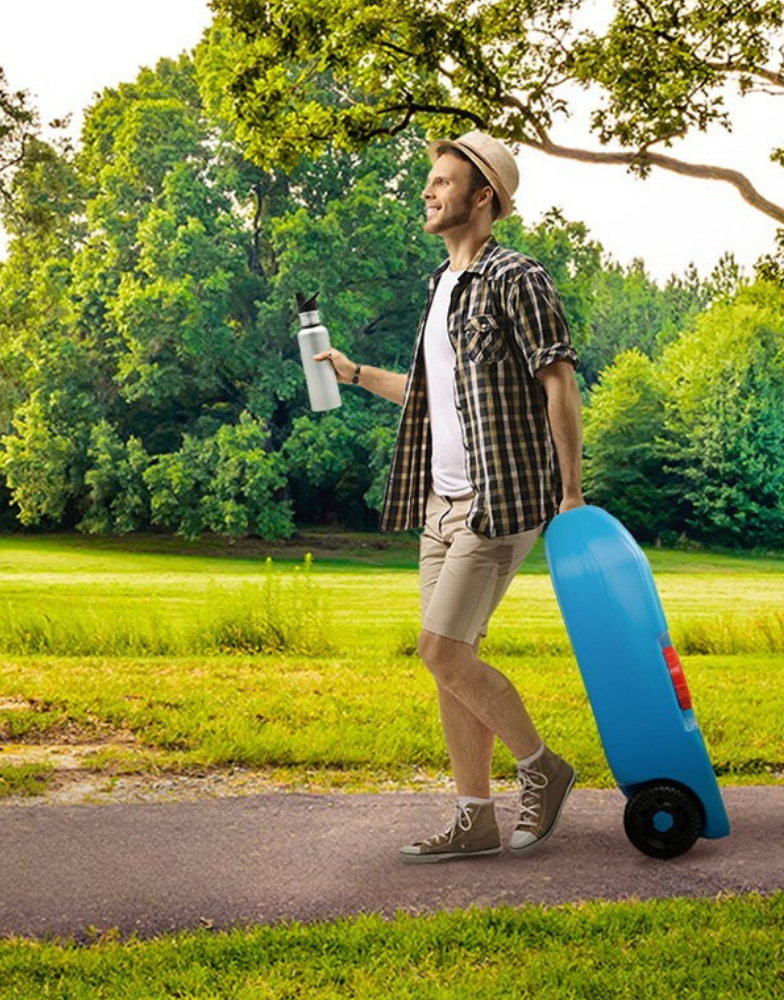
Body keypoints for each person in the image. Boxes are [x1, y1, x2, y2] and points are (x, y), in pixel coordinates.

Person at [315, 132, 584, 863]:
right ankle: (476, 817)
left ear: (483, 196)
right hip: (441, 501)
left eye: (442, 182)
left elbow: (557, 381)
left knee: (440, 649)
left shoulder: (517, 278)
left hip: (503, 497)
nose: (428, 193)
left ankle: (543, 768)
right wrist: (354, 372)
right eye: (428, 182)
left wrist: (570, 493)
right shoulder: (442, 287)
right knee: (449, 658)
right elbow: (432, 397)